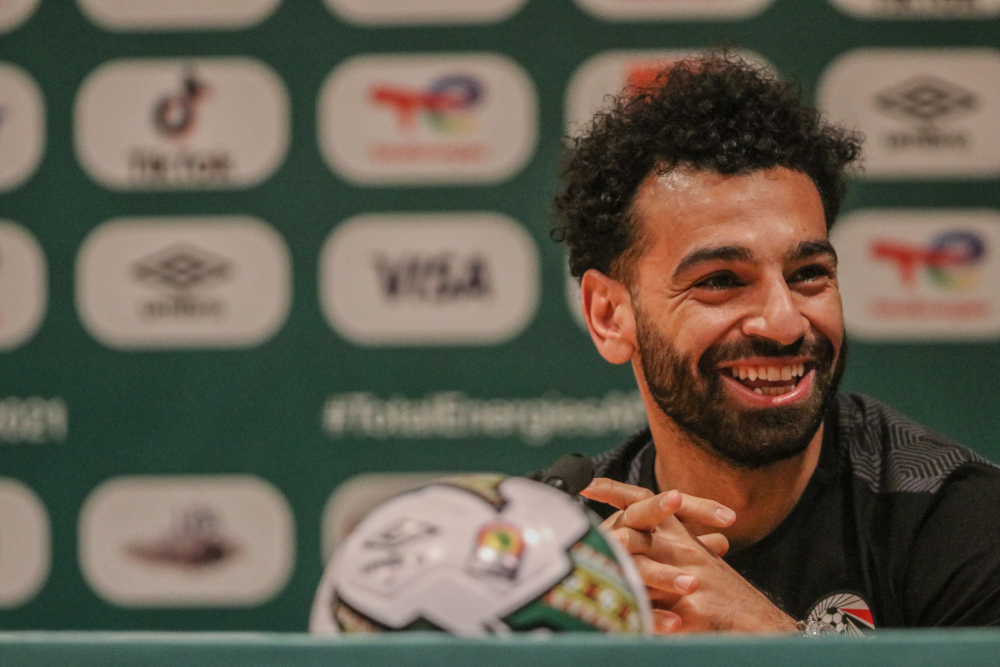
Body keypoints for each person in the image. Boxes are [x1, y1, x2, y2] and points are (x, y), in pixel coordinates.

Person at [549, 53, 1000, 635]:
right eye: (720, 281)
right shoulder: (561, 553)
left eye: (809, 272)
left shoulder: (960, 520)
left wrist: (770, 639)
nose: (784, 324)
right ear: (610, 316)